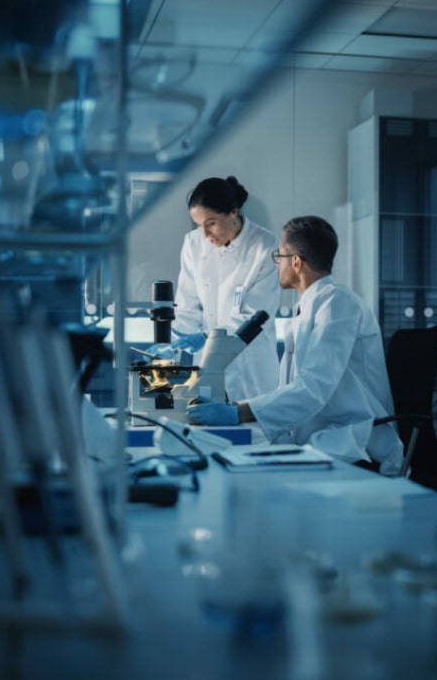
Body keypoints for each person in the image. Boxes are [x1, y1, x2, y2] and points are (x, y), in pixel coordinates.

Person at [186, 215, 404, 476]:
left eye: (279, 257)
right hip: (319, 438)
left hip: (353, 443)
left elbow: (312, 388)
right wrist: (236, 410)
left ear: (297, 262)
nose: (277, 264)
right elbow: (295, 392)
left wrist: (236, 413)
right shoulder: (310, 307)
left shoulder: (338, 304)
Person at [152, 176, 281, 402]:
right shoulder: (193, 243)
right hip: (207, 366)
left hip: (250, 369)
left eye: (211, 223)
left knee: (248, 420)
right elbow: (188, 306)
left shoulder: (265, 247)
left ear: (233, 212)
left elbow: (252, 318)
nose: (205, 234)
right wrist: (172, 343)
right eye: (199, 225)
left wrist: (204, 337)